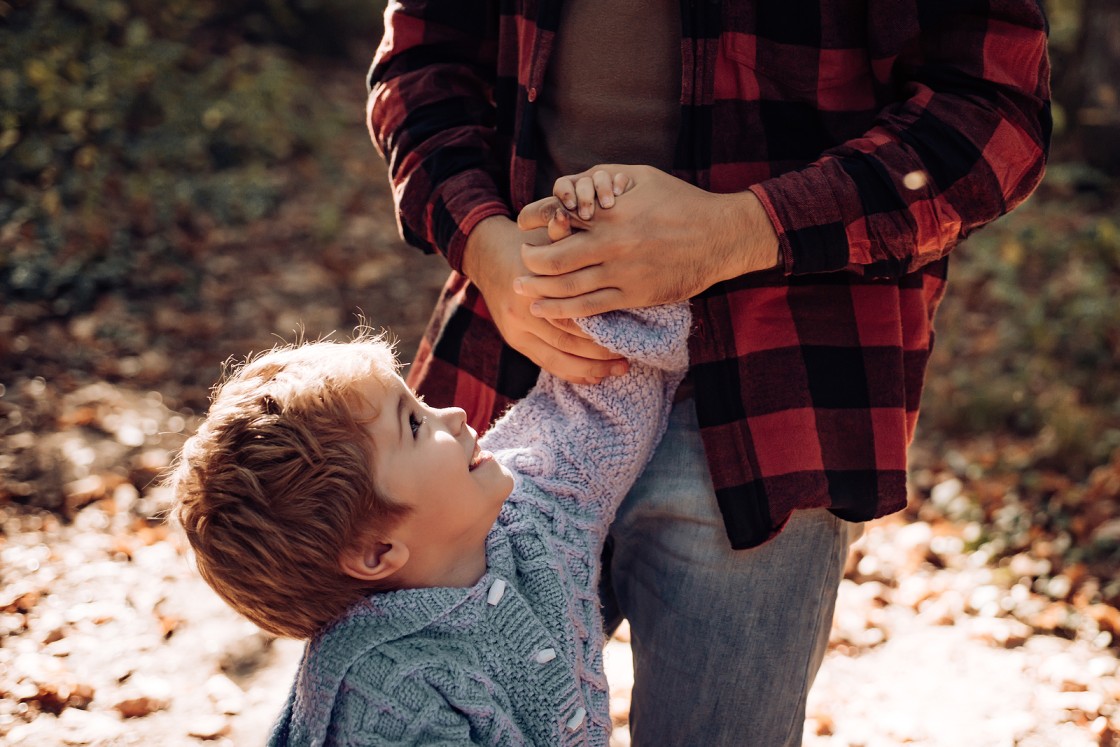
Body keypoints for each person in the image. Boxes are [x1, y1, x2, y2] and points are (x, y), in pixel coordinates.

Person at [367, 2, 1052, 744]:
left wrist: (746, 229)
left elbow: (994, 113)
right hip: (515, 365)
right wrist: (483, 242)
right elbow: (421, 61)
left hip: (772, 392)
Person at [168, 206, 690, 745]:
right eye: (415, 424)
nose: (456, 414)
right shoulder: (386, 696)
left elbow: (593, 414)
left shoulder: (530, 518)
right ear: (377, 551)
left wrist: (604, 261)